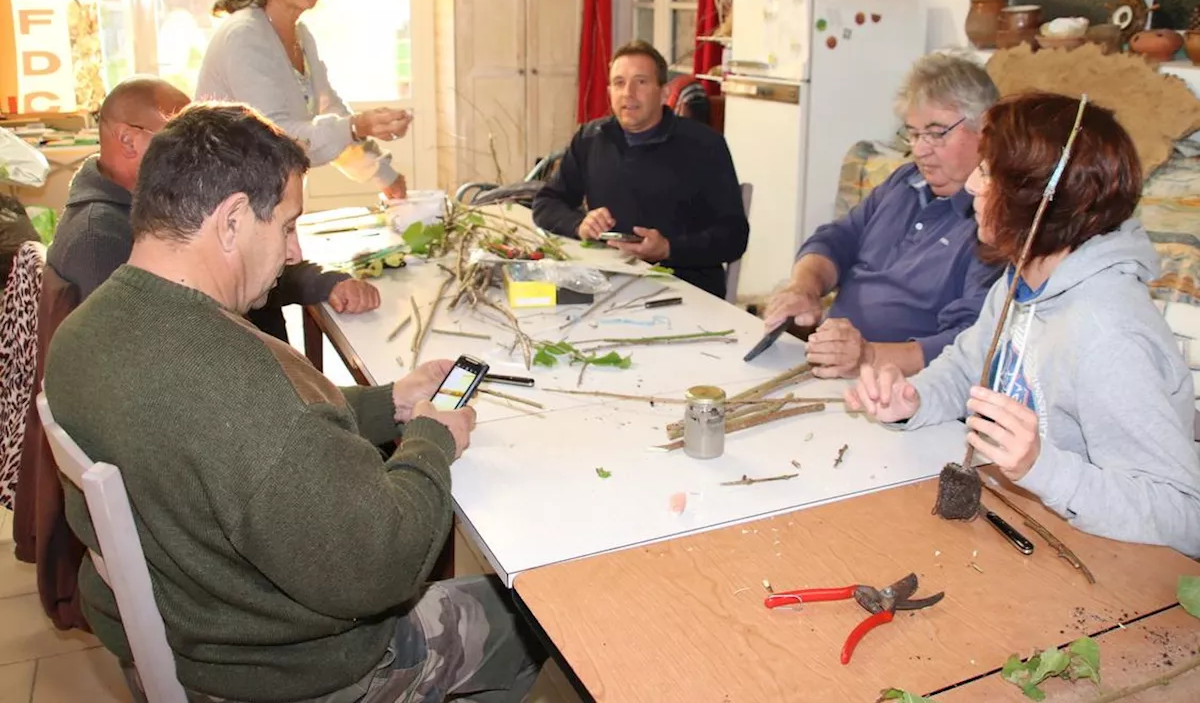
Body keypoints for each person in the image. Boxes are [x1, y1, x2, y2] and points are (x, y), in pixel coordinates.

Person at [44, 103, 541, 701]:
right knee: (530, 619)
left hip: (184, 631)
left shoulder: (87, 330)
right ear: (230, 221)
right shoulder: (244, 382)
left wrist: (394, 403)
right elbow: (382, 564)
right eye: (286, 225)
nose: (291, 250)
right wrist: (431, 438)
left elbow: (240, 443)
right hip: (290, 675)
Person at [846, 93, 1200, 557]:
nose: (971, 187)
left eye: (986, 172)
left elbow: (1189, 519)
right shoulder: (1024, 278)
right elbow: (967, 368)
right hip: (1022, 525)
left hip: (1099, 561)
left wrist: (1042, 466)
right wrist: (913, 399)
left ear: (1035, 198)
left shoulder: (1109, 334)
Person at [46, 76, 377, 334]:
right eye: (175, 134)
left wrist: (325, 282)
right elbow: (139, 360)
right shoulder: (98, 239)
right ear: (128, 140)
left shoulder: (157, 202)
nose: (196, 149)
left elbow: (246, 268)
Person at [763, 51, 1003, 378]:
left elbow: (970, 343)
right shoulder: (904, 183)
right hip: (836, 368)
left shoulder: (993, 220)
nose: (919, 149)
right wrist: (803, 288)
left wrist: (868, 356)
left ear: (986, 130)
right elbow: (835, 240)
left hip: (904, 390)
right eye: (914, 134)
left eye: (936, 133)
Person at [196, 0, 410, 200]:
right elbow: (275, 136)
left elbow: (330, 108)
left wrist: (386, 178)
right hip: (227, 205)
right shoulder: (244, 35)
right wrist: (357, 126)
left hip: (272, 202)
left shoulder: (302, 36)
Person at [532, 40, 749, 298]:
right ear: (609, 91)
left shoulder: (704, 145)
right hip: (606, 284)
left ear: (664, 91)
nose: (628, 93)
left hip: (685, 289)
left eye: (641, 82)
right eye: (619, 83)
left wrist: (669, 248)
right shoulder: (591, 138)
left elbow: (734, 236)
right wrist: (580, 225)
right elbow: (546, 203)